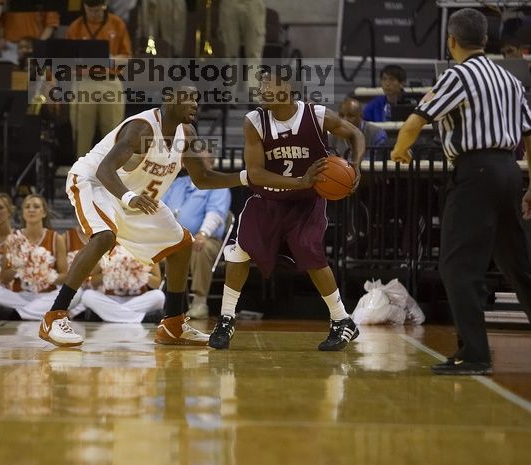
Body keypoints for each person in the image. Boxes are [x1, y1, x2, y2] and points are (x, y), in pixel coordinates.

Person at [38, 85, 248, 348]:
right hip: (96, 183)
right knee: (104, 236)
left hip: (136, 197)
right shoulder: (142, 128)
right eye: (188, 98)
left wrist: (245, 177)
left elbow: (203, 178)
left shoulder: (188, 135)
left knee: (181, 246)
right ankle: (54, 316)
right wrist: (129, 198)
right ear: (169, 99)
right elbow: (105, 170)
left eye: (197, 98)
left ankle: (173, 324)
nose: (195, 103)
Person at [390, 8, 531, 376]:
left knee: (457, 266)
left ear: (451, 41)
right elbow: (530, 135)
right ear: (486, 40)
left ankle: (475, 354)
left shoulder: (458, 76)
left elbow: (414, 121)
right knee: (519, 267)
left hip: (476, 174)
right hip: (510, 173)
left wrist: (400, 150)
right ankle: (474, 352)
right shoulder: (509, 79)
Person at [208, 72, 365, 351]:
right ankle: (227, 318)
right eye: (261, 86)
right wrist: (299, 181)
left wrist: (355, 165)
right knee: (240, 249)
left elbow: (355, 133)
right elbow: (255, 173)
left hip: (306, 201)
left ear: (289, 89)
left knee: (309, 250)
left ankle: (343, 321)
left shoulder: (317, 115)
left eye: (269, 85)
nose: (263, 90)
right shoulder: (255, 122)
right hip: (267, 200)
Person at [162, 149, 231, 319]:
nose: (198, 165)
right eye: (195, 161)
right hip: (171, 240)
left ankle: (199, 302)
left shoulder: (218, 184)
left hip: (204, 239)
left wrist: (203, 233)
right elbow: (159, 208)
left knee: (201, 247)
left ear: (211, 163)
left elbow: (215, 213)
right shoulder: (176, 183)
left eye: (203, 161)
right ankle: (155, 301)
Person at [0, 194, 68, 320]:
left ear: (44, 213)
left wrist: (45, 275)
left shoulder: (56, 239)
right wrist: (18, 267)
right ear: (23, 213)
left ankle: (18, 314)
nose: (31, 210)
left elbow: (65, 276)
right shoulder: (13, 239)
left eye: (36, 207)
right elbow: (4, 278)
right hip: (19, 296)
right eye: (27, 207)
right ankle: (36, 311)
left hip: (46, 295)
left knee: (76, 294)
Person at [66, 0, 133, 157]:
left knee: (112, 132)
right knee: (81, 132)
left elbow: (127, 58)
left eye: (98, 10)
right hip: (84, 81)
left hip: (110, 79)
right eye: (91, 10)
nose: (94, 14)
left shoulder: (117, 23)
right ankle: (80, 175)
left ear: (104, 6)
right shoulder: (76, 26)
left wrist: (109, 59)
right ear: (84, 7)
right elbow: (66, 58)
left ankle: (109, 174)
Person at [71, 244, 165, 323]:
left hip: (137, 300)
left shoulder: (146, 251)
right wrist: (111, 272)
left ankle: (105, 316)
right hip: (111, 299)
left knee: (159, 296)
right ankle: (143, 318)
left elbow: (156, 284)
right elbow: (92, 282)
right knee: (87, 296)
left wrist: (138, 272)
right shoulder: (107, 250)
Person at [0, 0, 59, 64]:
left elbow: (51, 24)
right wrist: (1, 36)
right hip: (10, 45)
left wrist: (38, 45)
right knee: (8, 73)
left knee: (38, 73)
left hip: (34, 46)